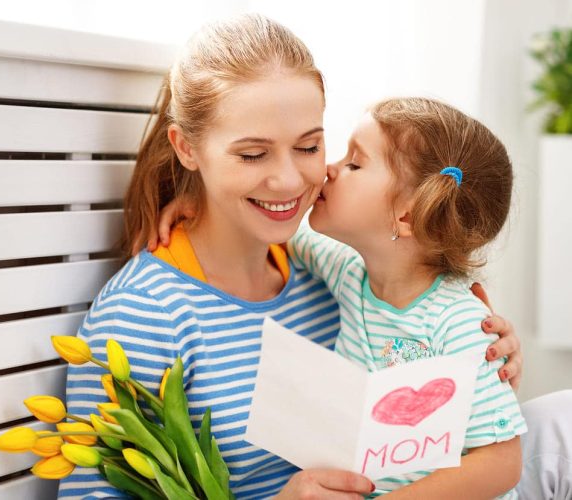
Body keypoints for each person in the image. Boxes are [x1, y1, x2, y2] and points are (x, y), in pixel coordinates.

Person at [59, 14, 522, 499]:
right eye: (252, 155)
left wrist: (486, 359)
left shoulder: (335, 272)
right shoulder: (146, 313)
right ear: (187, 148)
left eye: (308, 146)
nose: (290, 181)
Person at [287, 97, 524, 497]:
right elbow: (272, 227)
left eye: (354, 164)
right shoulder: (347, 271)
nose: (329, 169)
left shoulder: (459, 322)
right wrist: (195, 210)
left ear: (408, 217)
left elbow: (503, 463)